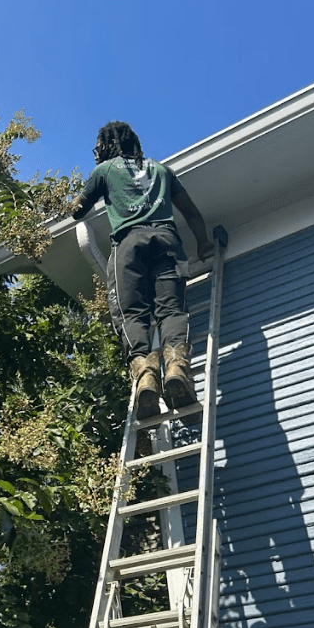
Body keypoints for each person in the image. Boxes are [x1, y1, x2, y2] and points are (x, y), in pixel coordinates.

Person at [71, 121, 214, 419]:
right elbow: (192, 213)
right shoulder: (162, 170)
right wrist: (203, 244)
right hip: (168, 242)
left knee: (131, 312)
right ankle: (176, 368)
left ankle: (146, 377)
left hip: (129, 245)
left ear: (107, 145)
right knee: (172, 309)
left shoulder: (105, 170)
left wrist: (76, 198)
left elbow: (78, 210)